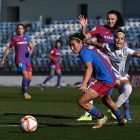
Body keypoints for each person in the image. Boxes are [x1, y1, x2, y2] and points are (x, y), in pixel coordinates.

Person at [77, 10, 131, 121]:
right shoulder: (99, 28)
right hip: (101, 64)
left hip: (114, 65)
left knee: (122, 89)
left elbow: (125, 49)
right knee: (97, 89)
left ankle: (126, 113)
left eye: (112, 19)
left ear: (117, 20)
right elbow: (84, 39)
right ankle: (89, 115)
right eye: (108, 18)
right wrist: (84, 27)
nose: (110, 21)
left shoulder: (119, 32)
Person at [69, 33, 127, 129]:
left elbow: (89, 68)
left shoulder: (84, 52)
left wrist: (84, 83)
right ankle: (121, 119)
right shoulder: (89, 47)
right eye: (70, 46)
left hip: (104, 80)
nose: (71, 48)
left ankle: (101, 117)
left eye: (73, 45)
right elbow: (107, 58)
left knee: (82, 101)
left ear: (80, 43)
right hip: (110, 77)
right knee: (107, 101)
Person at [84, 29, 140, 121]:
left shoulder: (127, 50)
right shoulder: (108, 46)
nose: (119, 40)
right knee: (91, 86)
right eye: (117, 38)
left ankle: (114, 109)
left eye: (121, 39)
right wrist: (86, 42)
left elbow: (136, 53)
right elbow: (97, 45)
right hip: (109, 76)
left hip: (122, 77)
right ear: (114, 39)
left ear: (124, 41)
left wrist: (138, 54)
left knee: (128, 89)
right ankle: (87, 114)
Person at [0, 23, 34, 99]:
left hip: (27, 60)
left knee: (29, 79)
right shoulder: (14, 38)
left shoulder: (27, 38)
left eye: (21, 28)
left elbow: (31, 47)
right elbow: (9, 48)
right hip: (20, 60)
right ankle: (25, 94)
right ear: (17, 30)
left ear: (23, 30)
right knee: (25, 75)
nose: (20, 30)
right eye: (19, 28)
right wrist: (3, 59)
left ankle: (23, 89)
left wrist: (31, 50)